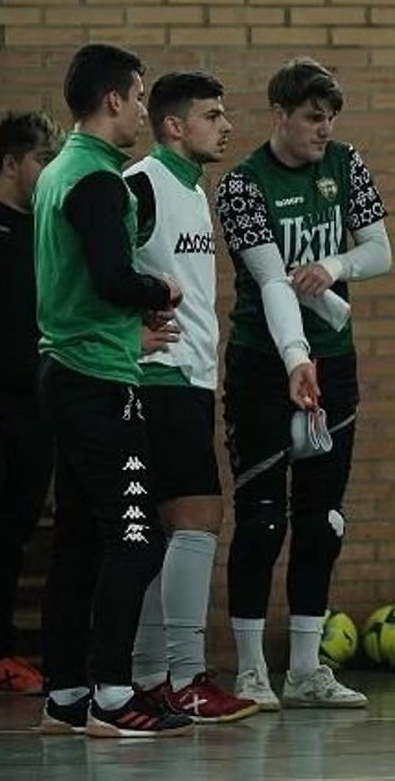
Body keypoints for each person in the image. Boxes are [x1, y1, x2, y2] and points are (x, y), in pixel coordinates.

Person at [215, 57, 391, 710]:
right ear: (280, 116)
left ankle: (307, 669)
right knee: (263, 520)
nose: (324, 129)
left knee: (324, 520)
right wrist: (294, 358)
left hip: (334, 361)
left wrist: (332, 262)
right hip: (265, 363)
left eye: (330, 118)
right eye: (313, 118)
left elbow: (380, 251)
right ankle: (253, 671)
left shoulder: (345, 164)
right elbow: (269, 283)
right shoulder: (242, 185)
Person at [34, 43, 191, 737]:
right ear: (115, 100)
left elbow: (84, 278)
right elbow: (108, 276)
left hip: (66, 371)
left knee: (78, 542)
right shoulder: (99, 179)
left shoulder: (59, 171)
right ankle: (112, 694)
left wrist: (132, 307)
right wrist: (159, 289)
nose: (141, 110)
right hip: (98, 381)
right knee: (136, 541)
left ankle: (67, 694)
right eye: (138, 94)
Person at [121, 71, 257, 724]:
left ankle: (150, 673)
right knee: (200, 517)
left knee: (169, 530)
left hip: (194, 379)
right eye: (213, 114)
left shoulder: (193, 189)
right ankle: (185, 675)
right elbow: (89, 269)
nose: (226, 125)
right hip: (160, 380)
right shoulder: (140, 184)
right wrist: (128, 337)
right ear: (175, 125)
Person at [0, 111, 62, 696]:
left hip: (35, 405)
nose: (48, 171)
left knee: (13, 531)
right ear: (11, 162)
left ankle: (0, 653)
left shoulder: (44, 230)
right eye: (41, 160)